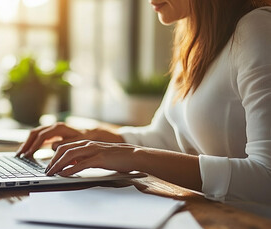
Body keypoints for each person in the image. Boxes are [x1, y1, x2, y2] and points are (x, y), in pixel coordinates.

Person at [16, 0, 271, 204]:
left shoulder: (258, 29)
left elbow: (266, 178)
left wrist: (135, 157)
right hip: (204, 216)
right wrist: (92, 138)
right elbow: (163, 138)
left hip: (249, 227)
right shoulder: (195, 40)